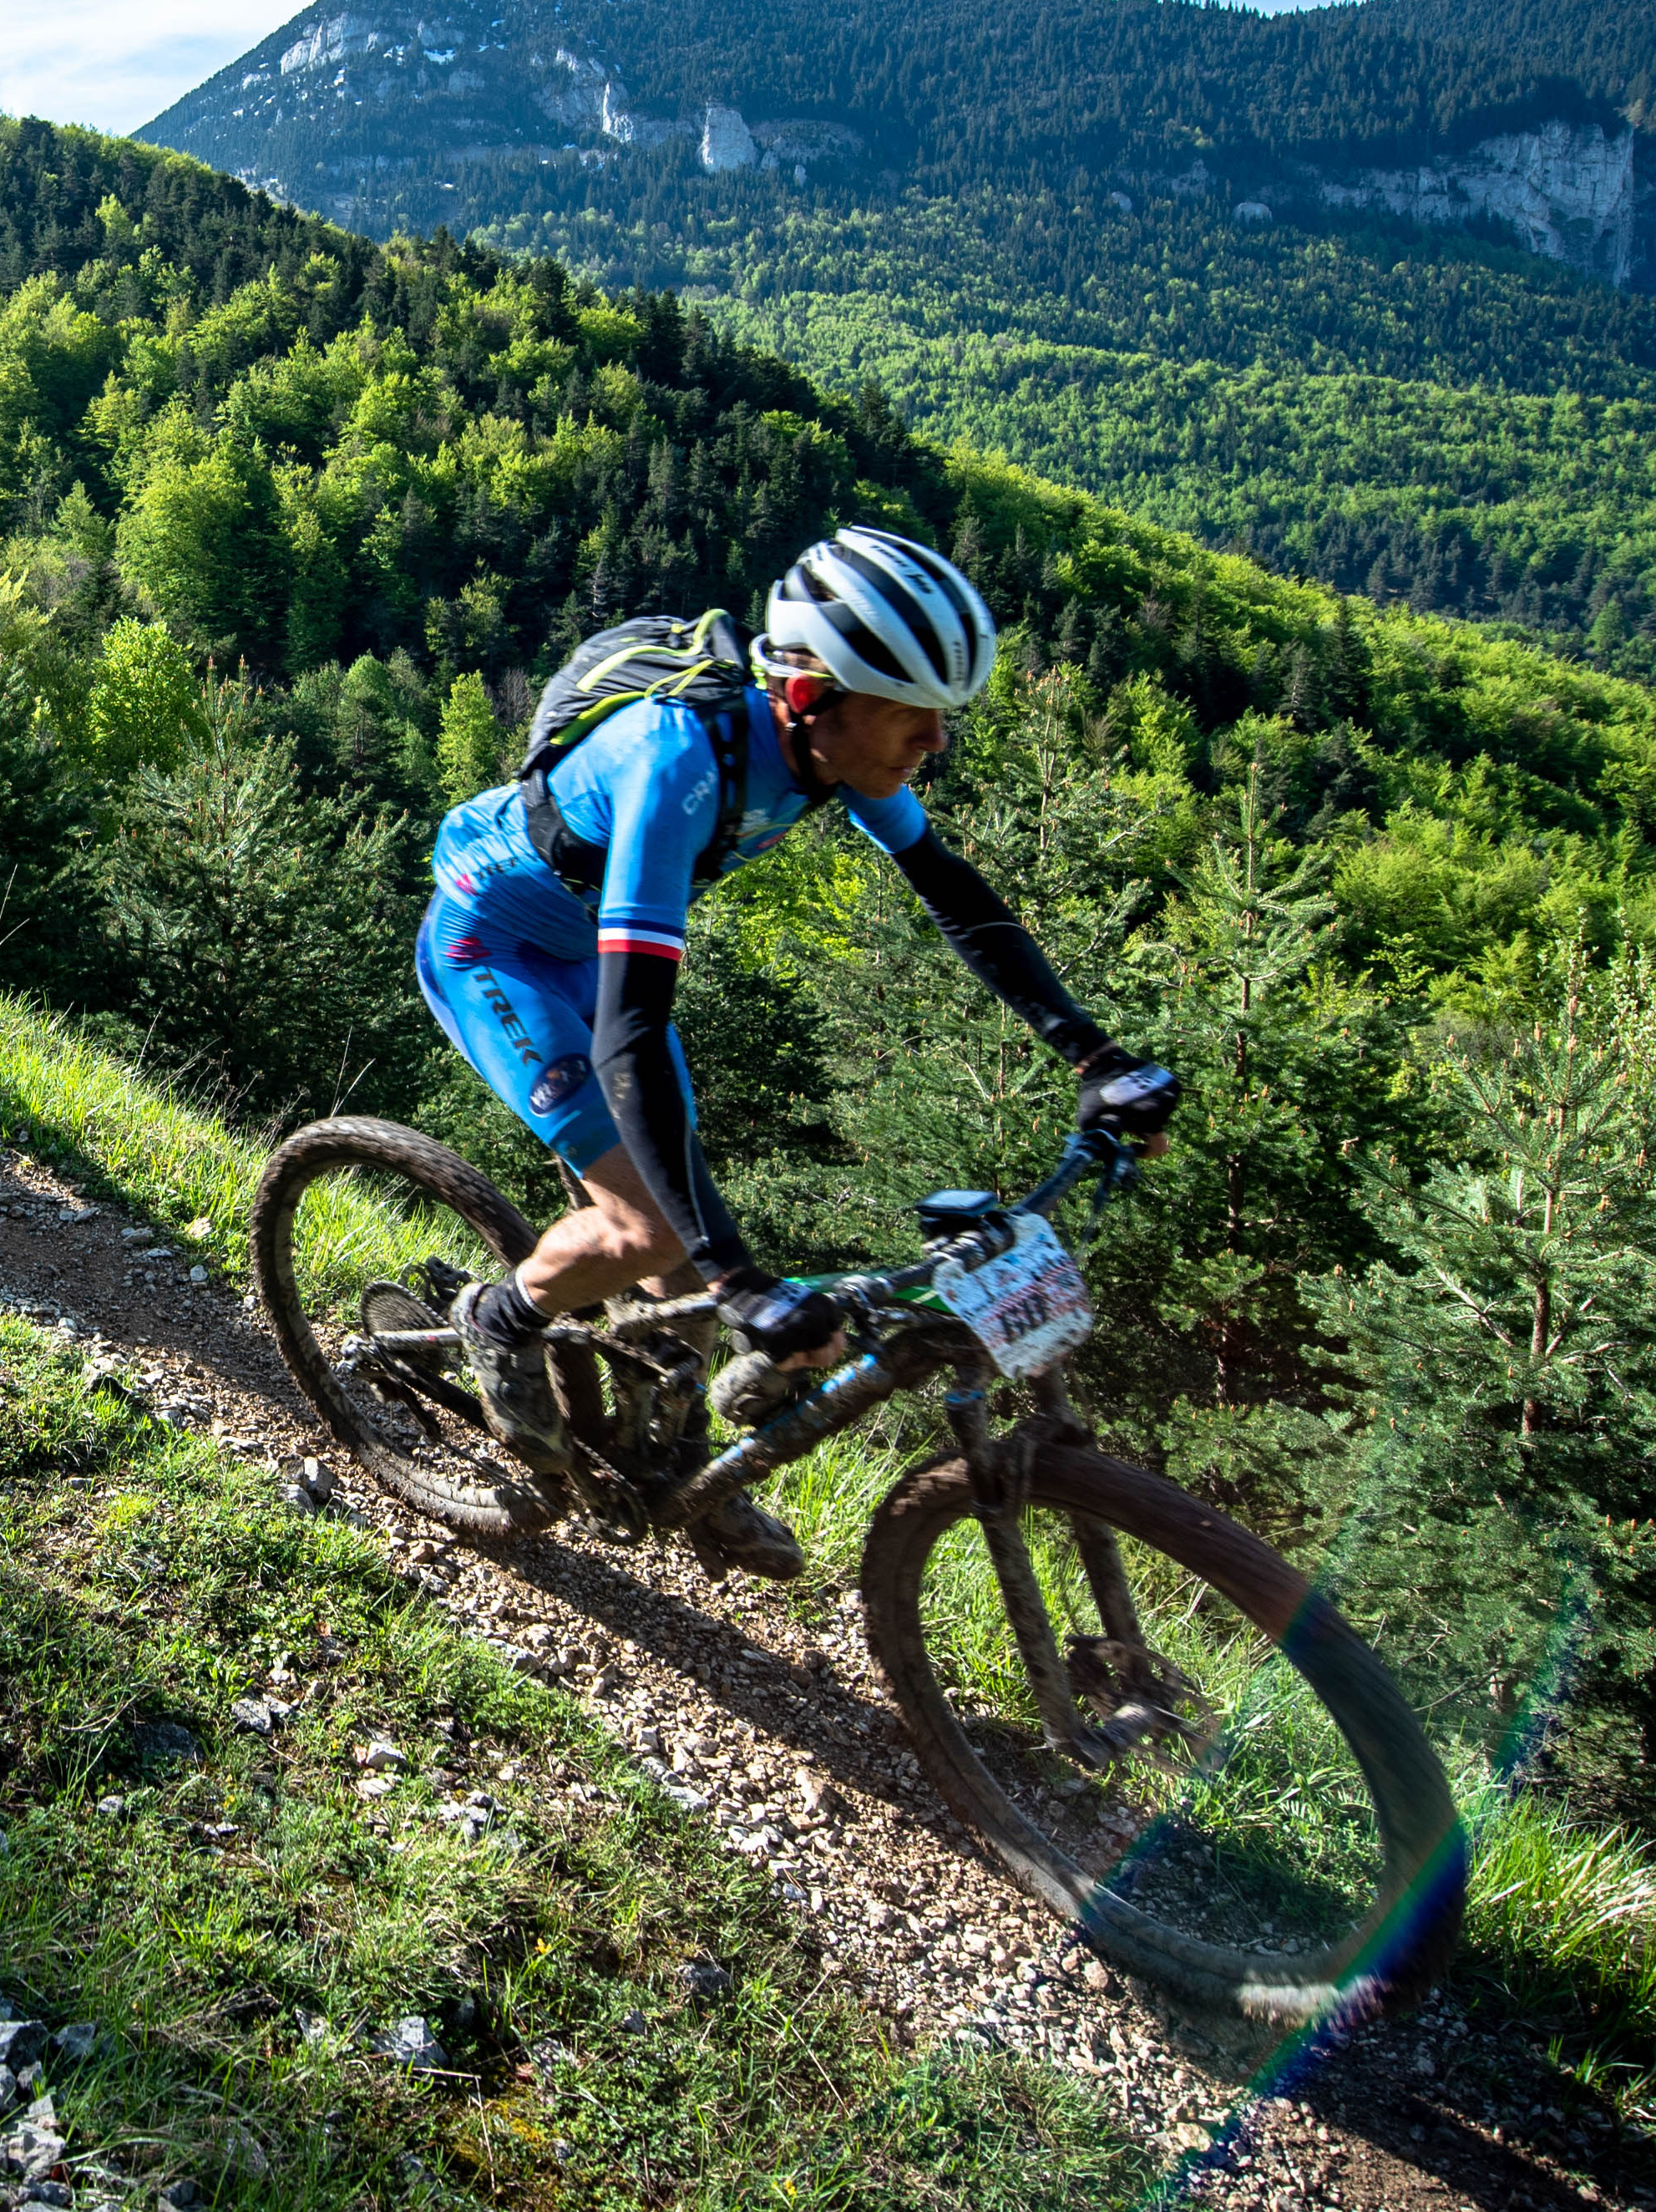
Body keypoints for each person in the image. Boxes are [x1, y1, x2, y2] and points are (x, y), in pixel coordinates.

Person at [413, 525, 1168, 1578]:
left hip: (599, 952)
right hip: (499, 947)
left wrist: (1093, 1054)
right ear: (813, 695)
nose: (935, 740)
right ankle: (500, 1314)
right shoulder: (674, 757)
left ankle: (671, 1464)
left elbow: (956, 895)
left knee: (690, 1242)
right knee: (651, 1232)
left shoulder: (832, 750)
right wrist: (740, 1282)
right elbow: (629, 1035)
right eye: (911, 713)